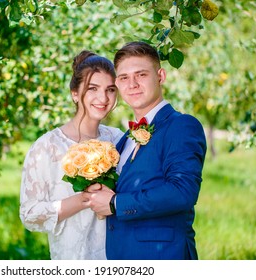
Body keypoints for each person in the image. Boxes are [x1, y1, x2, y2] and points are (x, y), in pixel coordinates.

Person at [82, 41, 207, 260]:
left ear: (160, 76)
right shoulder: (124, 139)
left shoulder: (182, 126)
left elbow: (182, 191)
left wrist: (114, 204)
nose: (132, 84)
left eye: (141, 75)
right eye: (123, 78)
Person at [19, 50, 124, 260]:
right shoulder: (47, 147)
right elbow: (29, 215)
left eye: (110, 89)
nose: (103, 98)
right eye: (92, 88)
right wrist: (84, 199)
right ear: (74, 93)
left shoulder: (119, 139)